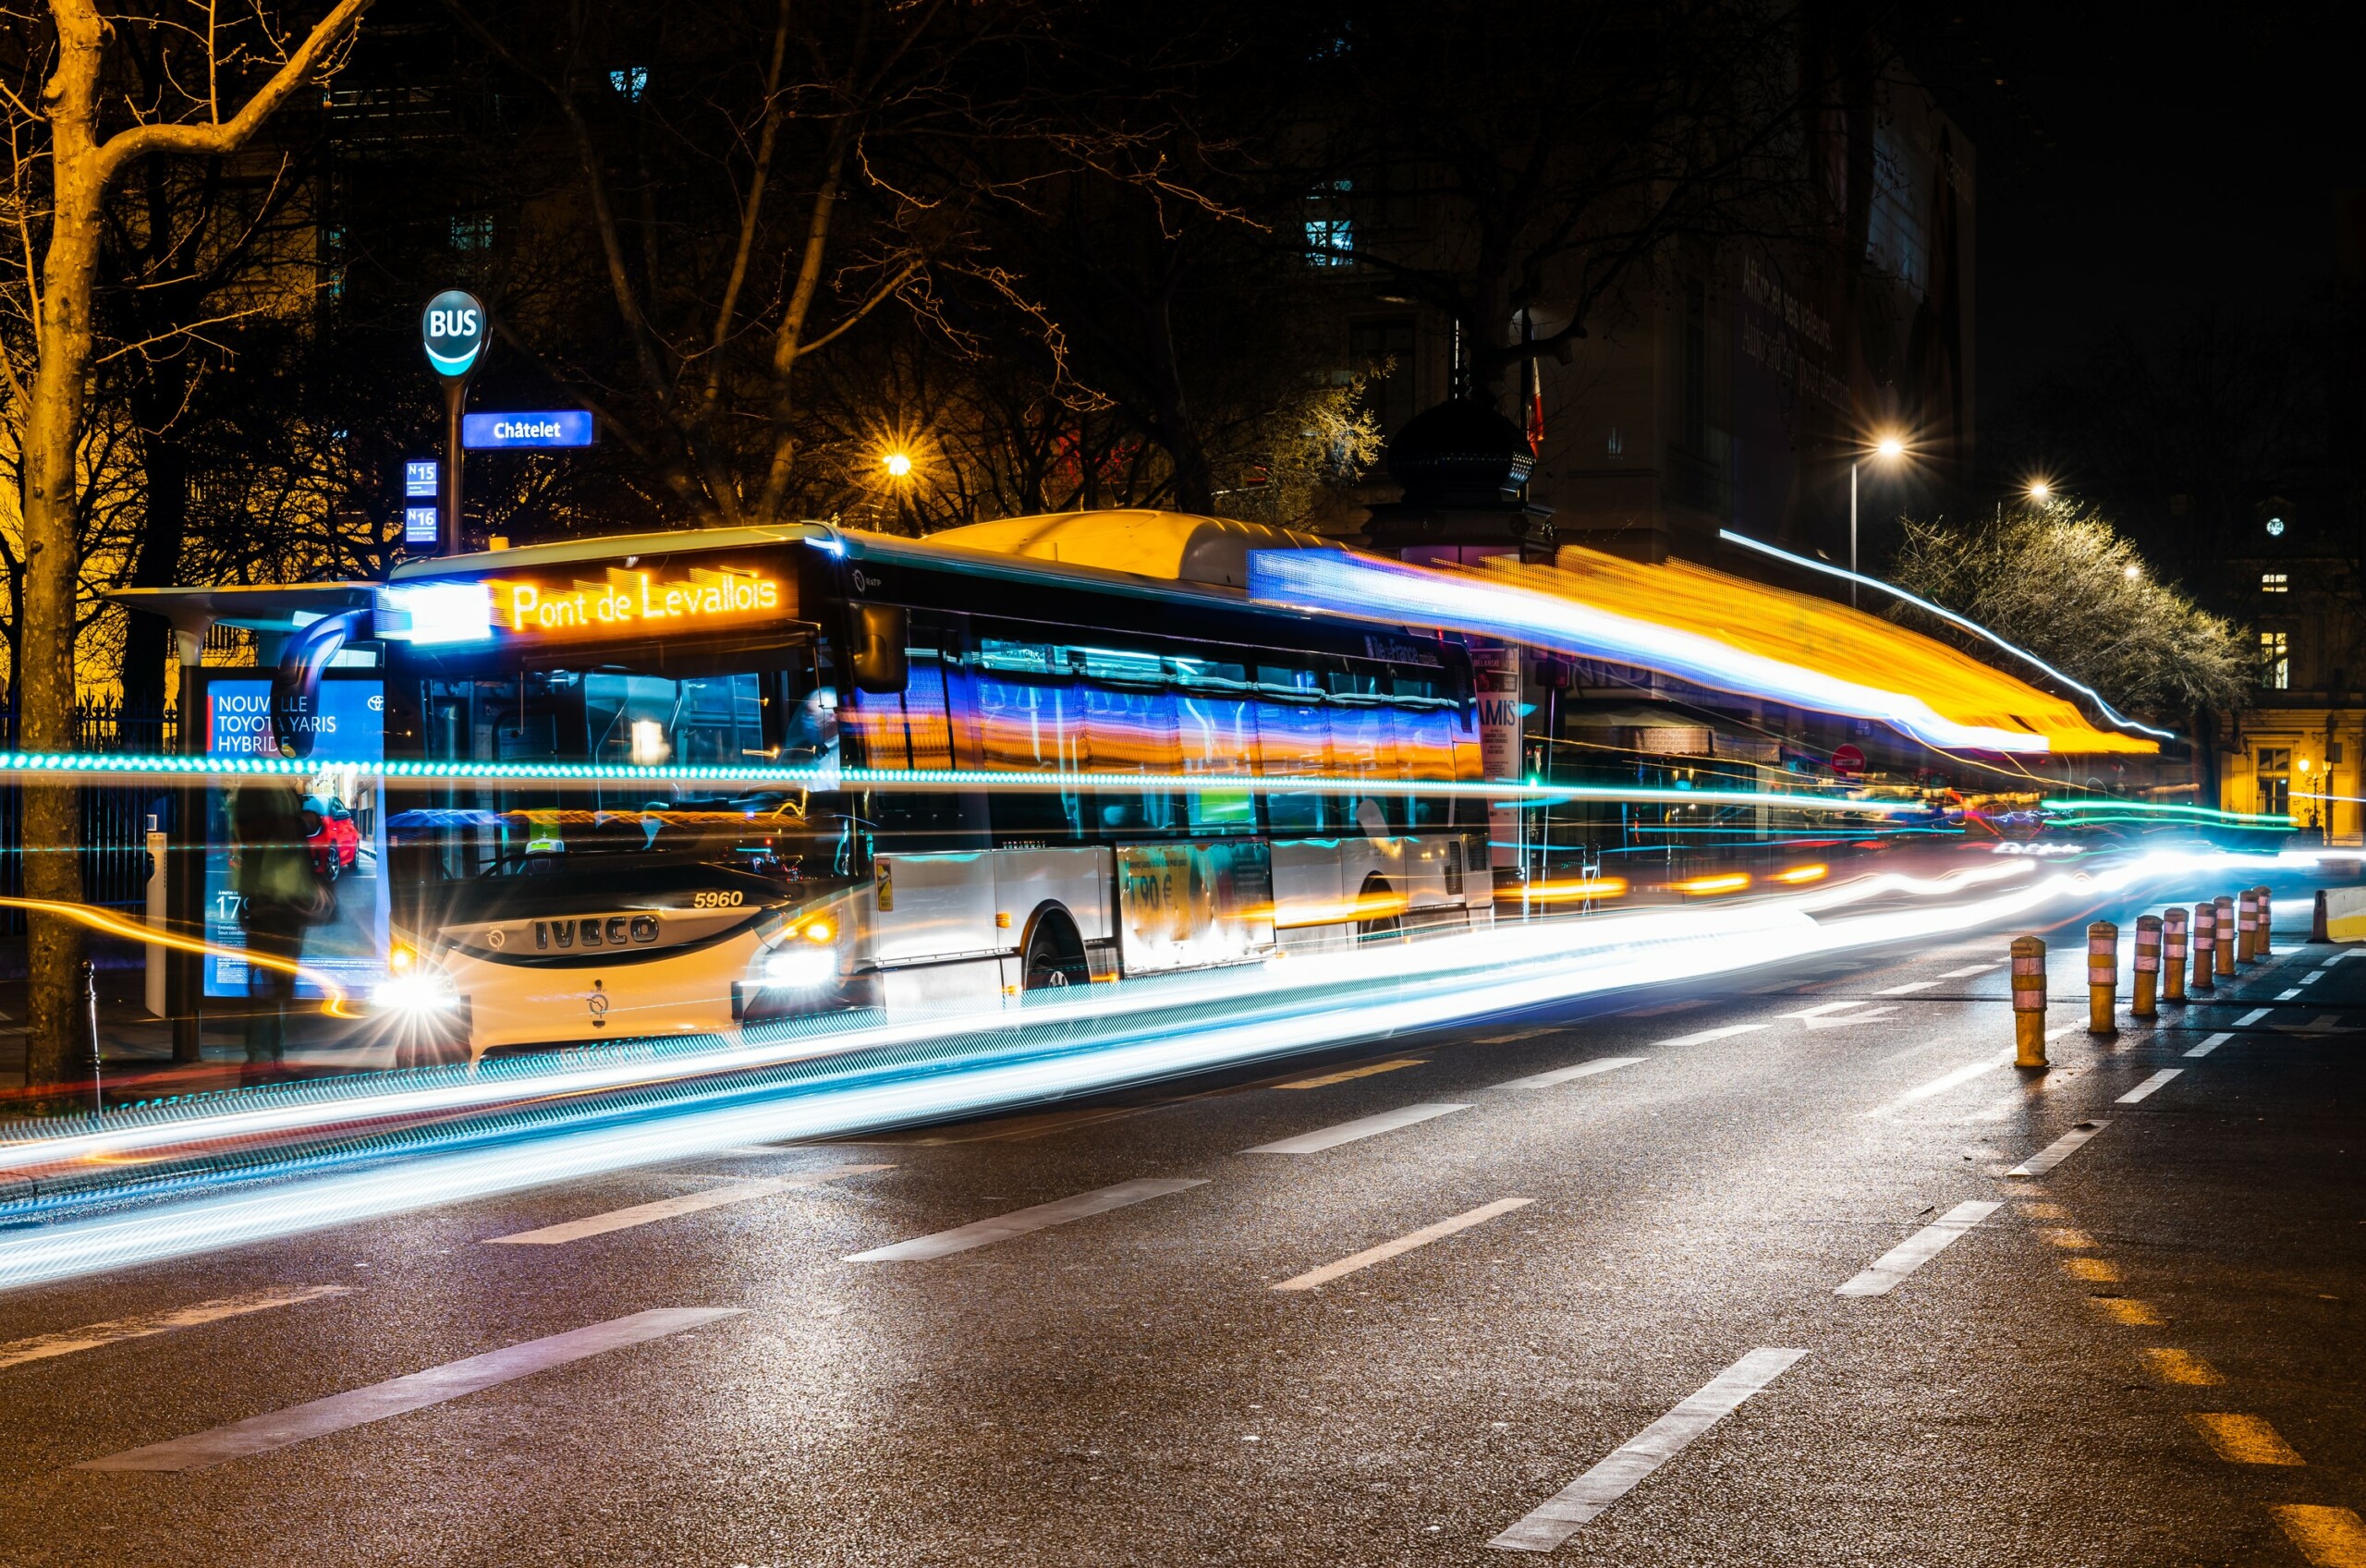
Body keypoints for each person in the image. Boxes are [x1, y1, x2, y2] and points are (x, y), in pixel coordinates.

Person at [232, 780, 331, 1083]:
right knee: (270, 991)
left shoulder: (280, 786)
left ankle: (271, 1061)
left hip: (284, 904)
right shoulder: (257, 787)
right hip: (270, 902)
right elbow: (265, 836)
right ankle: (259, 1063)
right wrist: (303, 822)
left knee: (280, 989)